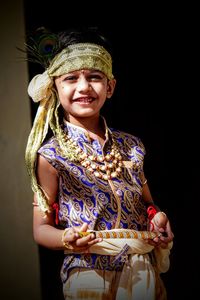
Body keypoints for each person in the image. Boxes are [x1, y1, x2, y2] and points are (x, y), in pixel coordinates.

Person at [25, 26, 174, 300]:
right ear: (55, 88)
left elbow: (149, 205)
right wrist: (65, 238)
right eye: (71, 78)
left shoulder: (132, 147)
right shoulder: (52, 155)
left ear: (110, 86)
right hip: (88, 273)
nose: (84, 87)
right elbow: (40, 229)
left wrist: (160, 220)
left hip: (142, 271)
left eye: (94, 77)